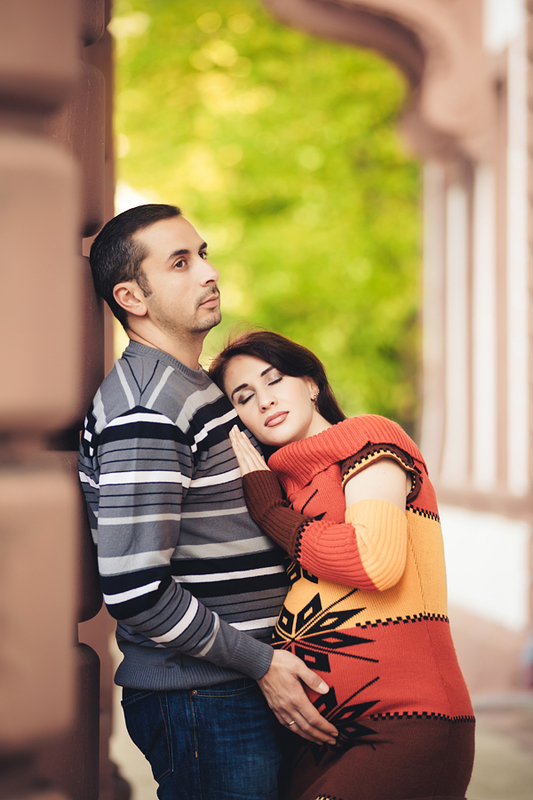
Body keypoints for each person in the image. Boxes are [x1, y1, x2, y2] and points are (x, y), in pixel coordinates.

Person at [78, 204, 337, 800]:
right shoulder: (147, 411)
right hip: (204, 699)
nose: (207, 272)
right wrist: (260, 662)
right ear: (132, 297)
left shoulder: (194, 386)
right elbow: (135, 588)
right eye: (180, 263)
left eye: (202, 254)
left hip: (232, 688)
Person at [209, 329, 476, 800]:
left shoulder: (368, 439)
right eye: (244, 397)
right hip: (314, 735)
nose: (265, 401)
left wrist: (270, 514)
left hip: (404, 721)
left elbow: (374, 562)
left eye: (274, 380)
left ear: (311, 383)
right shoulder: (276, 482)